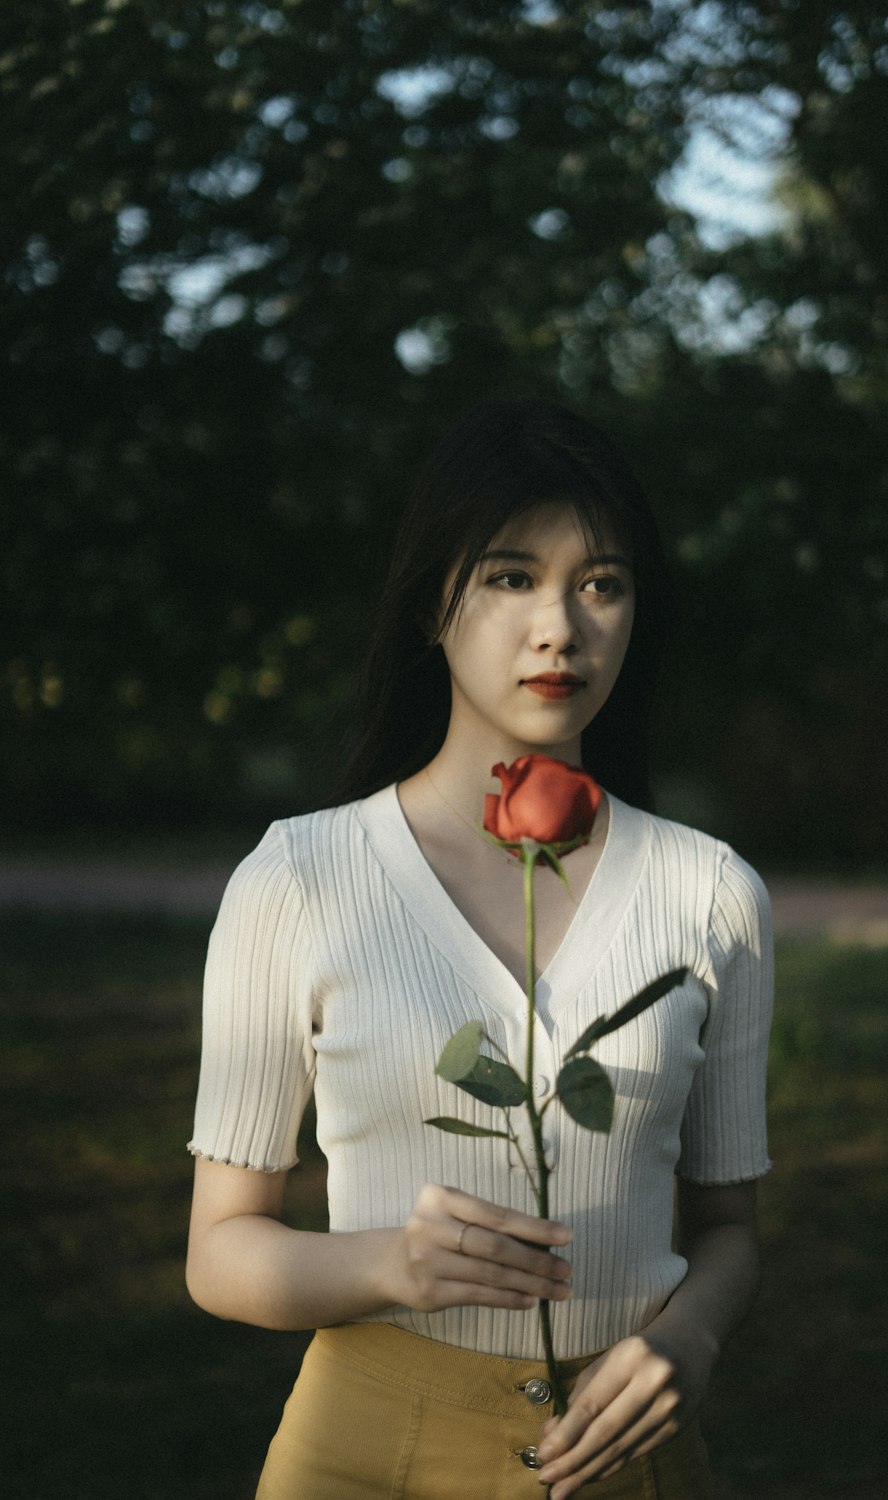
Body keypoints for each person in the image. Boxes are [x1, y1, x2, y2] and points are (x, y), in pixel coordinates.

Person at [186, 398, 773, 1499]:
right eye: (510, 577)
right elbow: (219, 1249)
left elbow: (730, 1229)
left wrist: (687, 1339)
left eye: (601, 582)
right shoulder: (299, 879)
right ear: (430, 605)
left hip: (627, 1465)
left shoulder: (710, 893)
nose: (560, 626)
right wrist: (386, 1264)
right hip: (364, 1457)